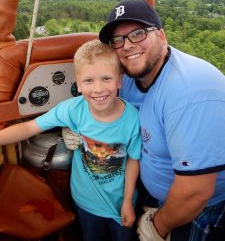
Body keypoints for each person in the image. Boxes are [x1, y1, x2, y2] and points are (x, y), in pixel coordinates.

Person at [97, 0, 225, 241]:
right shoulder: (134, 77)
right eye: (118, 40)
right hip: (154, 186)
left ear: (162, 36)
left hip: (201, 207)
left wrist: (157, 226)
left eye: (138, 33)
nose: (127, 46)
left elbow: (196, 192)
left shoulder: (190, 93)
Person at [0, 39, 142, 241]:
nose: (98, 89)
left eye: (106, 79)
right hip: (85, 202)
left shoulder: (132, 119)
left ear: (120, 80)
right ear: (78, 83)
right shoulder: (72, 110)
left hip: (120, 203)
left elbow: (133, 160)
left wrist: (128, 200)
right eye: (89, 81)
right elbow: (30, 127)